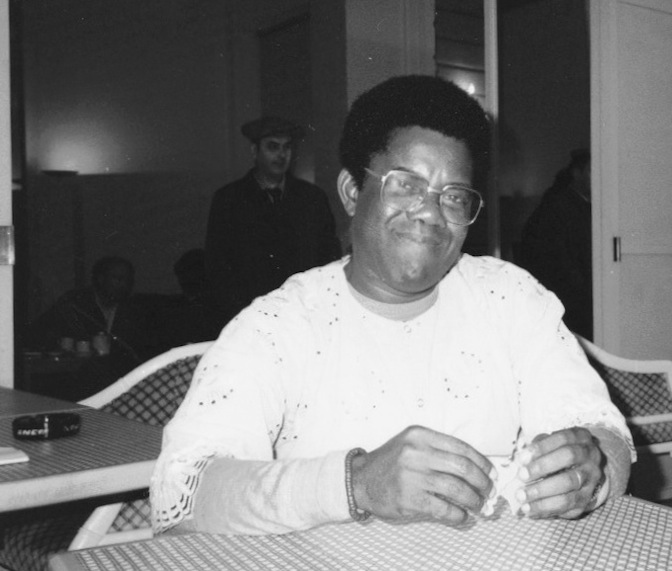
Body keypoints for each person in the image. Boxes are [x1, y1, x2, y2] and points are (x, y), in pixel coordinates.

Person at [151, 76, 633, 536]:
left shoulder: (510, 298)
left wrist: (590, 472)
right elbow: (183, 494)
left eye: (454, 196)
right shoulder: (278, 324)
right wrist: (355, 483)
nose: (430, 213)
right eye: (406, 185)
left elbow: (601, 431)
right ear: (352, 192)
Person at [204, 115, 341, 327]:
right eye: (272, 147)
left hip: (303, 317)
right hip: (248, 318)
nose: (281, 155)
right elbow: (218, 267)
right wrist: (243, 317)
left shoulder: (312, 198)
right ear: (254, 151)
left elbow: (328, 258)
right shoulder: (229, 200)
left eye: (287, 147)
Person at [28, 255, 155, 398]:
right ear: (100, 279)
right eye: (118, 279)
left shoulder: (133, 310)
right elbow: (39, 332)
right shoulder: (75, 303)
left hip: (118, 384)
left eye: (128, 280)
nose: (124, 285)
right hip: (76, 381)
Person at [518, 149, 593, 339]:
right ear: (577, 173)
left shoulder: (584, 205)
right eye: (591, 170)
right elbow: (557, 258)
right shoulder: (558, 206)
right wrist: (583, 291)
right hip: (566, 299)